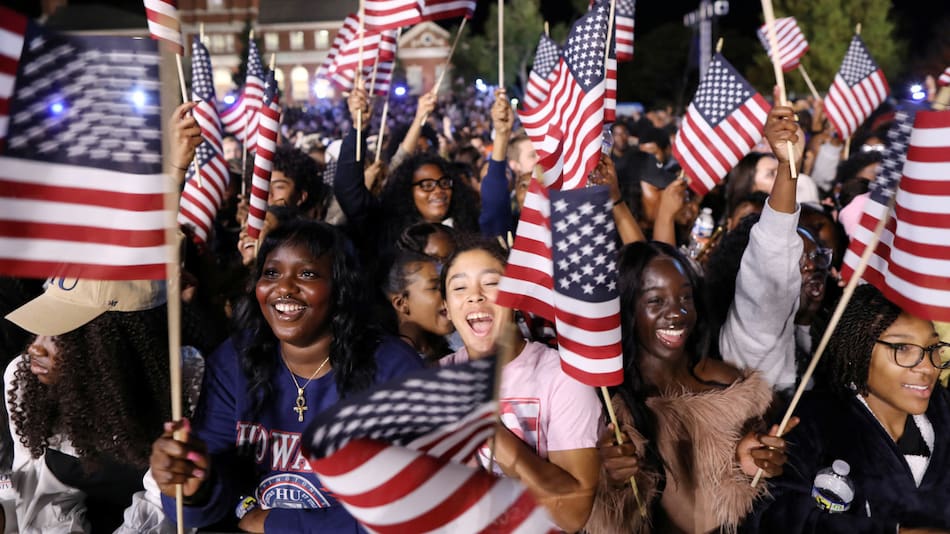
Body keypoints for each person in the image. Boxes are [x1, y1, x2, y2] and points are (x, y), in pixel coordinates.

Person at [149, 220, 422, 533]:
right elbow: (204, 508)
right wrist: (190, 487)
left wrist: (279, 523)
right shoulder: (234, 359)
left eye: (306, 274)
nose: (284, 287)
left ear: (341, 286)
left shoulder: (394, 369)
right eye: (271, 273)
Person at [585, 241, 794, 534]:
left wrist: (747, 465)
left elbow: (762, 502)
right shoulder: (606, 405)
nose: (677, 313)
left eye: (686, 298)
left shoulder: (729, 385)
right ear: (628, 307)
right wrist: (613, 478)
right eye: (656, 301)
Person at [748, 285, 950, 532]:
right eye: (902, 349)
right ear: (858, 351)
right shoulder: (811, 421)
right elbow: (776, 519)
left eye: (933, 348)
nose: (928, 367)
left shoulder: (944, 415)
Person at [0, 278, 196, 533]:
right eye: (42, 326)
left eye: (61, 335)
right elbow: (42, 500)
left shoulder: (181, 380)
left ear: (115, 342)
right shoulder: (25, 380)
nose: (36, 347)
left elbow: (165, 508)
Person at [438, 236, 602, 532]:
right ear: (447, 308)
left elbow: (573, 513)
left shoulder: (562, 377)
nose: (475, 296)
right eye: (460, 287)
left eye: (490, 283)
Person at [382, 250, 454, 363]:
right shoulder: (393, 366)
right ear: (401, 303)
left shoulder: (454, 352)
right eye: (434, 288)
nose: (448, 294)